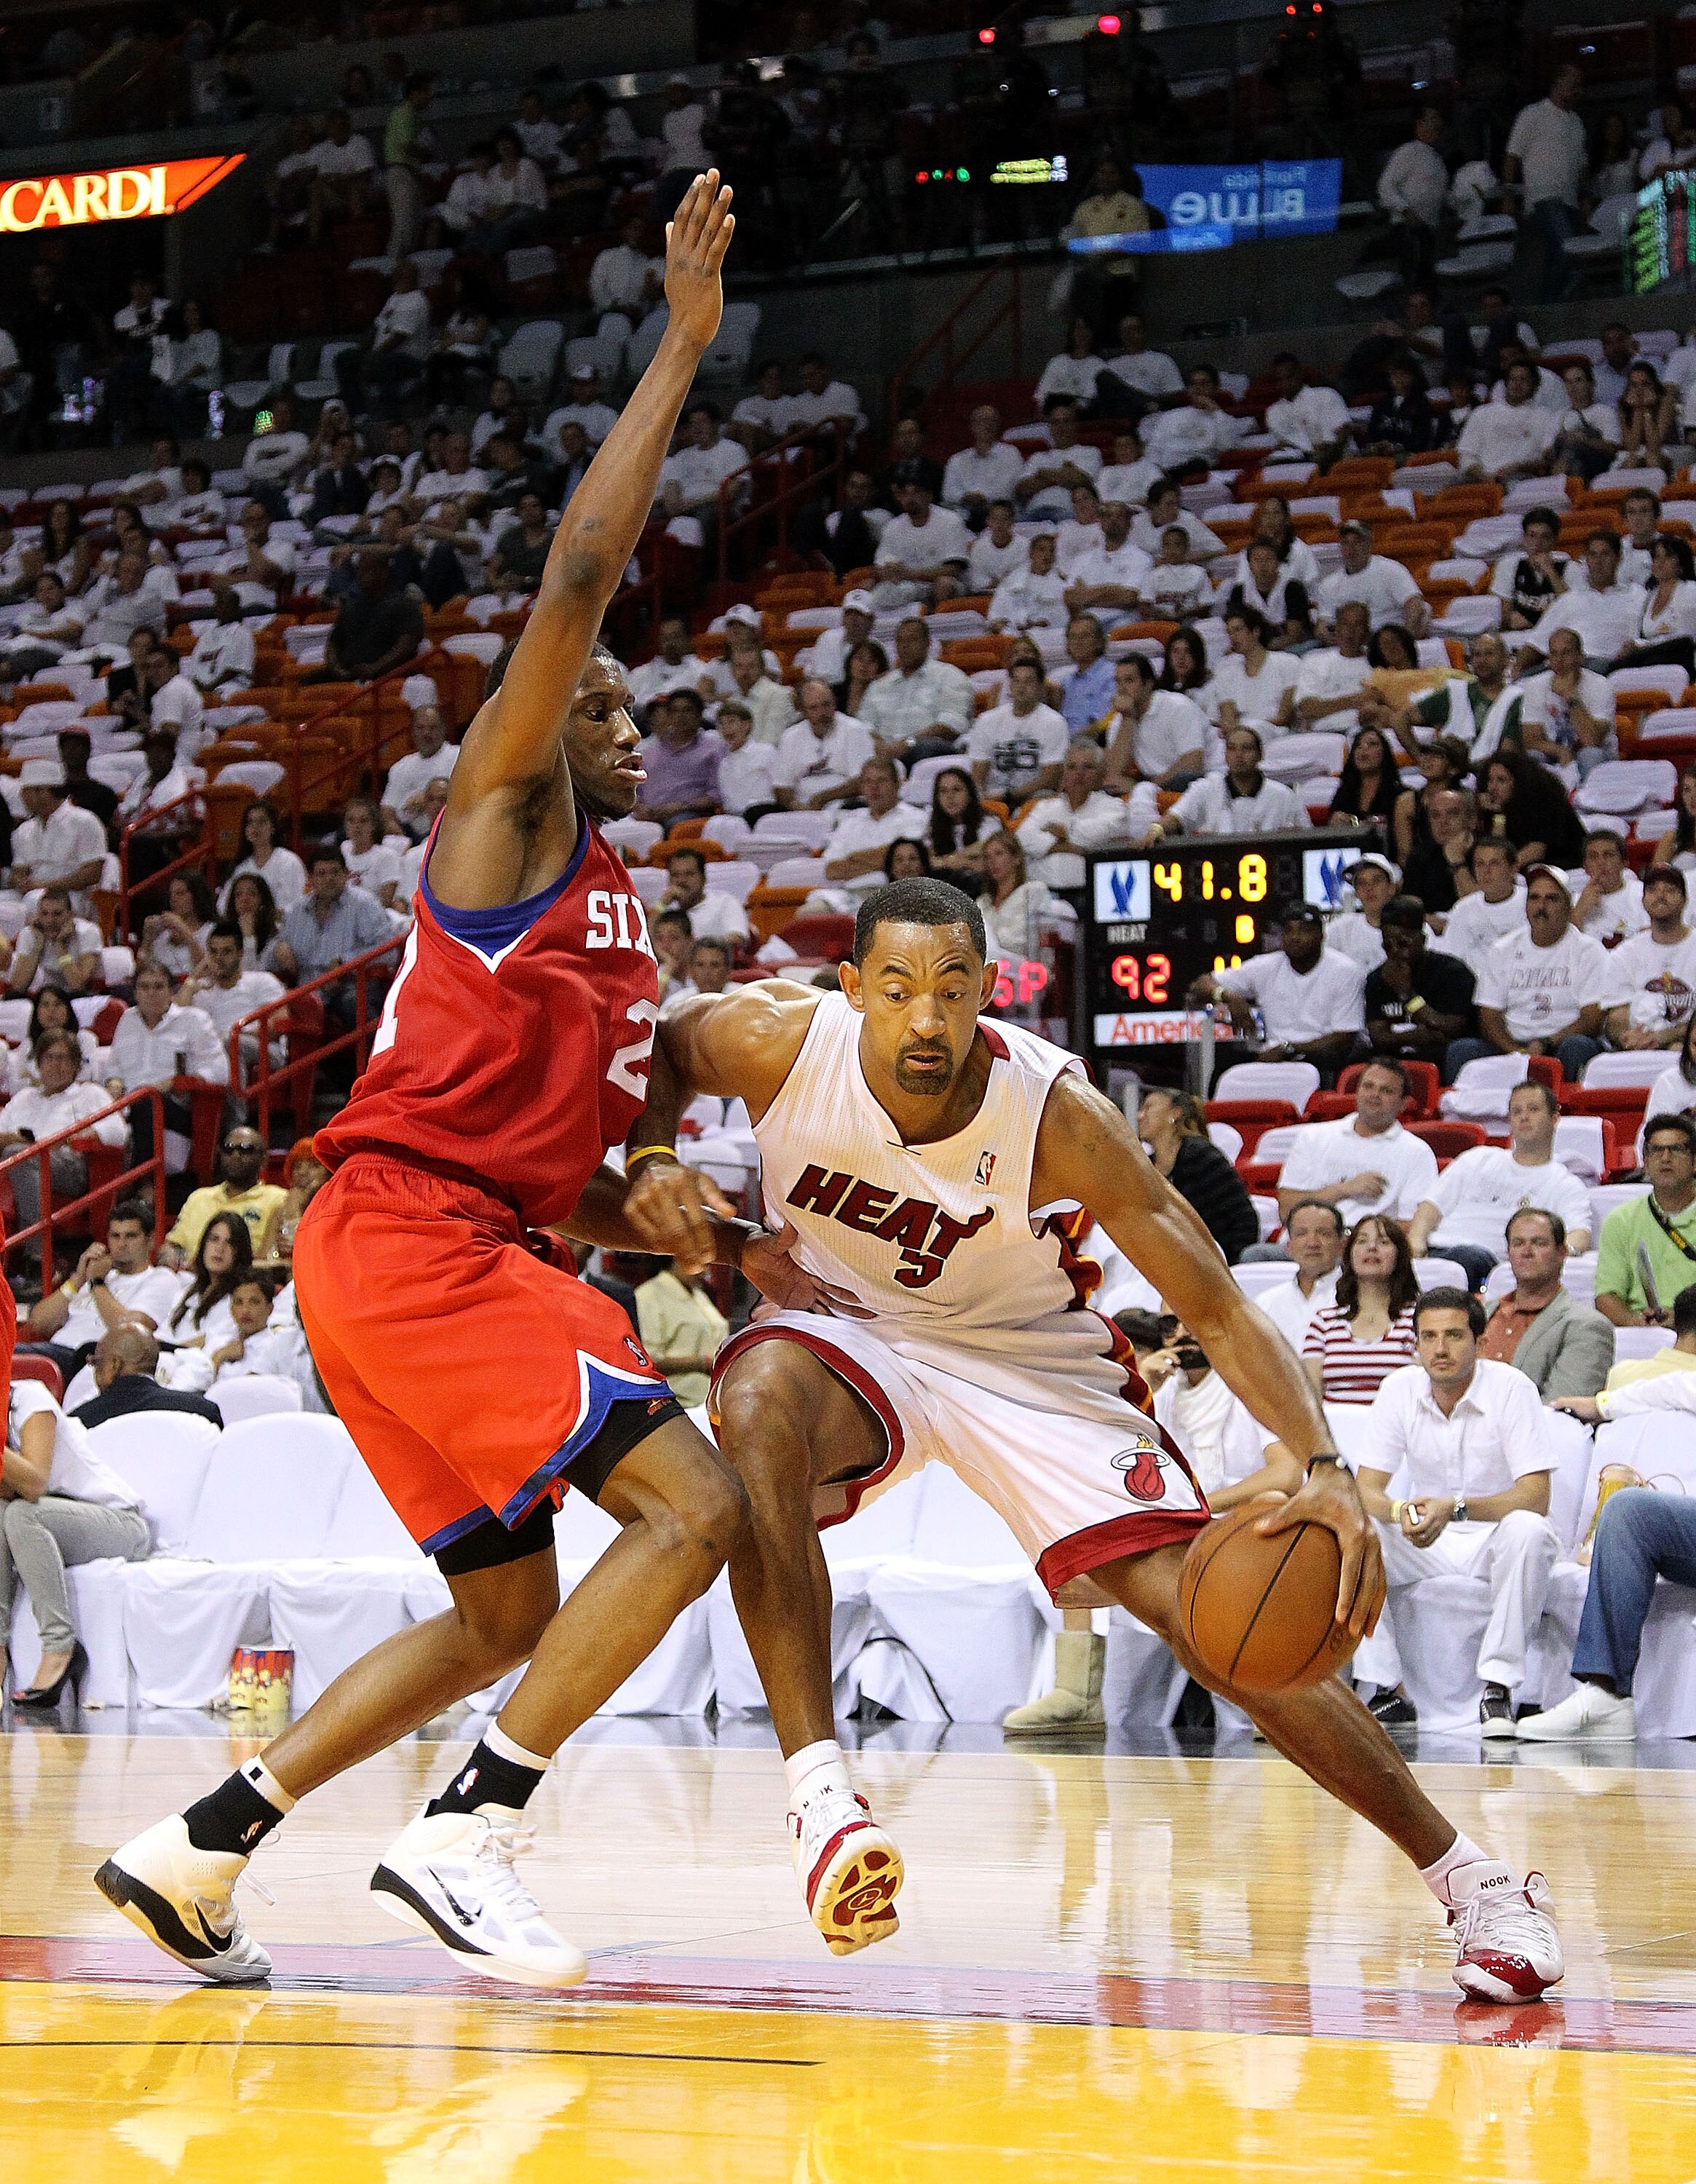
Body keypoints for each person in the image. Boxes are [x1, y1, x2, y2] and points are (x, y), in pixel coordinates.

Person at [97, 175, 753, 1995]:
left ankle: (200, 1844)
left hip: (427, 1246)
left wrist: (668, 1210)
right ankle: (467, 1828)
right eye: (602, 707)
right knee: (695, 1510)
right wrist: (683, 347)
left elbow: (568, 1184)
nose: (620, 725)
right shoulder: (507, 812)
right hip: (404, 1240)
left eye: (626, 719)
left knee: (500, 1608)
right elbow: (578, 573)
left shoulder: (620, 926)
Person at [643, 879, 1562, 1996]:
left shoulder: (1055, 1114)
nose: (925, 1021)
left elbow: (1218, 1304)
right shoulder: (774, 1039)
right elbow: (659, 1051)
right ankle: (822, 1798)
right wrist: (656, 1165)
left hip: (1023, 1359)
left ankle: (1472, 1879)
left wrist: (1321, 1466)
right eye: (895, 991)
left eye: (951, 990)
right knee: (756, 1408)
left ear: (989, 989)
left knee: (1210, 1616)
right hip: (850, 1324)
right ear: (851, 992)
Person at [1350, 1289, 1563, 1738]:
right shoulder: (1399, 1389)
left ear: (1480, 1342)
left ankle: (1498, 1687)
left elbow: (1535, 1496)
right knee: (1358, 1528)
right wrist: (1400, 1510)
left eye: (1453, 1336)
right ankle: (1387, 1688)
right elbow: (1365, 1489)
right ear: (1416, 1345)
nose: (1440, 1349)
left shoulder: (1511, 1388)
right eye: (1428, 1337)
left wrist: (1456, 1509)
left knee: (1529, 1530)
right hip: (1430, 1537)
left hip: (1491, 1536)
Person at [0, 1372, 151, 1707]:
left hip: (119, 1524)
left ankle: (60, 1647)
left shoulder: (29, 1399)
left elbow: (35, 1483)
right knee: (3, 1513)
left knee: (22, 1514)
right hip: (56, 1525)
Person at [1407, 1080, 1592, 1289]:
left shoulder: (1566, 1184)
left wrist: (1553, 1258)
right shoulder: (1477, 1158)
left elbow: (1579, 1234)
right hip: (1433, 1251)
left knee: (1472, 1258)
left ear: (1555, 1118)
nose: (1524, 1117)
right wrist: (1415, 1242)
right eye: (1516, 1111)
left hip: (1489, 1266)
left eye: (1533, 1109)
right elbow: (1430, 1206)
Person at [1450, 865, 1618, 1083]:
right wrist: (1517, 1052)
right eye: (1534, 898)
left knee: (1577, 1046)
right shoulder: (1503, 949)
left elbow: (1592, 1019)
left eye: (1551, 899)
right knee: (1461, 1051)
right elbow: (1489, 1016)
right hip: (1512, 1046)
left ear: (1568, 906)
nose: (1541, 906)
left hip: (1561, 1045)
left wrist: (1548, 1042)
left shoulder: (1589, 950)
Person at [18, 1200, 186, 1385]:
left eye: (130, 1236)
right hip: (54, 1352)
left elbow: (127, 1328)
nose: (121, 1244)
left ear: (150, 1240)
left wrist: (97, 1283)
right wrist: (79, 1278)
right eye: (115, 1236)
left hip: (90, 1359)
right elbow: (39, 1323)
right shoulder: (94, 1276)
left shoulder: (161, 1278)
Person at [1272, 1057, 1438, 1243]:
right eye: (1368, 1086)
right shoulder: (1313, 1137)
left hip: (1368, 1253)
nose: (1375, 1094)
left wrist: (1352, 1240)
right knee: (1257, 1255)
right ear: (1357, 1092)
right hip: (1304, 1246)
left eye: (1386, 1090)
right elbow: (1286, 1210)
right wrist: (1343, 1190)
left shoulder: (1417, 1152)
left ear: (1403, 1104)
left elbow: (1411, 1225)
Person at [1190, 904, 1366, 1079]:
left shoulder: (1345, 970)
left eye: (1304, 931)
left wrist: (1289, 1049)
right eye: (1289, 931)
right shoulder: (1267, 965)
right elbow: (1199, 985)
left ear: (1321, 936)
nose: (1295, 937)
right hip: (1273, 1058)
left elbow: (1345, 1036)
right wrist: (1227, 995)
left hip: (1321, 1058)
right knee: (1223, 1072)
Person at [0, 1029, 127, 1247]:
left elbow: (119, 1132)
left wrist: (74, 1137)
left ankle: (38, 1254)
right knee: (17, 1155)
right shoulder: (24, 1097)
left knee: (18, 1156)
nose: (56, 1065)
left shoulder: (90, 1093)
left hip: (67, 1165)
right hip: (21, 1160)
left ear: (77, 1065)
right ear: (38, 1063)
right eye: (49, 1058)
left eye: (63, 1058)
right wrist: (13, 1138)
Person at [1474, 1208, 1613, 1398]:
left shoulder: (1587, 1326)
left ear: (1562, 1252)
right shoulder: (1477, 1315)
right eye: (1518, 1243)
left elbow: (1563, 1407)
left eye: (1539, 1243)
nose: (1527, 1252)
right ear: (1509, 1253)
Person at [265, 845, 395, 1030]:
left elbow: (388, 951)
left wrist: (345, 964)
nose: (329, 879)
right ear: (311, 879)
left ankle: (373, 1058)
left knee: (354, 1003)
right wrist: (277, 951)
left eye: (335, 872)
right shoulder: (296, 911)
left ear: (346, 874)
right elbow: (268, 960)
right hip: (307, 990)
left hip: (351, 985)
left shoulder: (365, 904)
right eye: (322, 874)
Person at [1301, 1213, 1420, 1403]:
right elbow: (1310, 1398)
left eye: (1383, 1242)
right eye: (1362, 1241)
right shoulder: (1323, 1322)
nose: (1372, 1248)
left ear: (1400, 1256)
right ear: (1350, 1254)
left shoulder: (1418, 1320)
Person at [1593, 1114, 1696, 1327]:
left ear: (1694, 1162)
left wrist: (1683, 1321)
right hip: (1643, 1334)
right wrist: (1638, 1324)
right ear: (1646, 1163)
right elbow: (1607, 1297)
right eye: (1656, 1150)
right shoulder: (1620, 1220)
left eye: (1676, 1149)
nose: (1665, 1158)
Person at [1137, 1088, 1258, 1265]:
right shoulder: (1146, 1166)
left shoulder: (1200, 1155)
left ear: (1175, 1113)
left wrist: (1232, 1268)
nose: (1140, 1116)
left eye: (1149, 1108)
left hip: (1215, 1262)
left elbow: (1244, 1218)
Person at [1148, 725, 1311, 842]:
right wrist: (1157, 829)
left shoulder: (1284, 796)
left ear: (1260, 755)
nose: (1238, 755)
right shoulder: (1207, 788)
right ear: (1225, 755)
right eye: (1232, 749)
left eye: (1246, 749)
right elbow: (1177, 817)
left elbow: (1307, 839)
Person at [1015, 739, 1136, 890]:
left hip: (1089, 892)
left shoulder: (1114, 807)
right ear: (1064, 774)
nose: (1079, 774)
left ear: (1101, 774)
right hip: (1041, 893)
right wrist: (1070, 847)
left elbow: (1103, 834)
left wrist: (1059, 833)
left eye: (1088, 767)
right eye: (1072, 767)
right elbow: (1022, 839)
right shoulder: (1044, 807)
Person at [162, 1125, 288, 1268]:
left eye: (246, 1149)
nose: (236, 1155)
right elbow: (173, 1245)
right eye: (228, 1148)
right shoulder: (198, 1197)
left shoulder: (279, 1198)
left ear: (263, 1159)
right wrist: (171, 1259)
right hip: (189, 1278)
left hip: (245, 1280)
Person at [858, 617, 974, 768]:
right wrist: (879, 746)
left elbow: (952, 724)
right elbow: (864, 725)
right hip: (883, 754)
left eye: (912, 640)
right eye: (900, 641)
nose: (905, 646)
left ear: (927, 643)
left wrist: (908, 743)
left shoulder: (949, 676)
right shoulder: (880, 685)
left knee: (926, 748)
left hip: (924, 751)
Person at [1603, 866, 1696, 1051]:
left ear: (1684, 901)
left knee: (1677, 1050)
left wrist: (1664, 1036)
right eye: (1653, 890)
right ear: (1644, 900)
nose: (1660, 896)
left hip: (1690, 1046)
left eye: (1669, 890)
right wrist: (1630, 1039)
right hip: (1638, 1047)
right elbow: (1615, 1019)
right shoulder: (1625, 953)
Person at [72, 1324, 224, 1431]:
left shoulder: (81, 1422)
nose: (94, 1371)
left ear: (114, 1364)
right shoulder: (202, 1411)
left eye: (96, 1362)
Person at [1100, 653, 1208, 793]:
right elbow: (1113, 773)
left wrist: (1144, 788)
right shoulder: (1120, 720)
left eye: (1129, 681)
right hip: (1157, 784)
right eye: (1118, 682)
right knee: (1109, 788)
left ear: (1149, 683)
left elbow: (1193, 763)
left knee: (1183, 779)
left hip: (1203, 780)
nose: (1122, 689)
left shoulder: (1177, 706)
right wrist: (1127, 718)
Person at [968, 659, 1069, 806]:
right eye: (1016, 681)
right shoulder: (986, 720)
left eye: (1029, 681)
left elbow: (1051, 779)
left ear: (1041, 687)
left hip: (1034, 799)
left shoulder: (1054, 722)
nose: (1021, 687)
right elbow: (978, 775)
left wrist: (1008, 796)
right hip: (993, 799)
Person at [1257, 1199, 1344, 1351]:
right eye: (1301, 1234)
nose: (1312, 1243)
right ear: (1289, 1246)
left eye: (1324, 1233)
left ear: (1340, 1244)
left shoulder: (1360, 1299)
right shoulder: (1266, 1303)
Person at [979, 831, 1053, 957]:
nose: (992, 861)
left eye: (999, 854)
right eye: (987, 857)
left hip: (1023, 967)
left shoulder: (1034, 891)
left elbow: (1024, 939)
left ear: (1016, 858)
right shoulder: (983, 902)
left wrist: (991, 941)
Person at [658, 844, 751, 944]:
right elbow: (645, 943)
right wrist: (660, 905)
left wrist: (693, 951)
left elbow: (737, 938)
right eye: (675, 875)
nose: (681, 881)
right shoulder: (664, 909)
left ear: (703, 878)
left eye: (689, 874)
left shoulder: (724, 903)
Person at [927, 766, 993, 895]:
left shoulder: (989, 823)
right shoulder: (929, 828)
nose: (950, 797)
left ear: (970, 793)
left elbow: (988, 852)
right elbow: (925, 860)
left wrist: (949, 860)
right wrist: (966, 859)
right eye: (943, 791)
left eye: (956, 790)